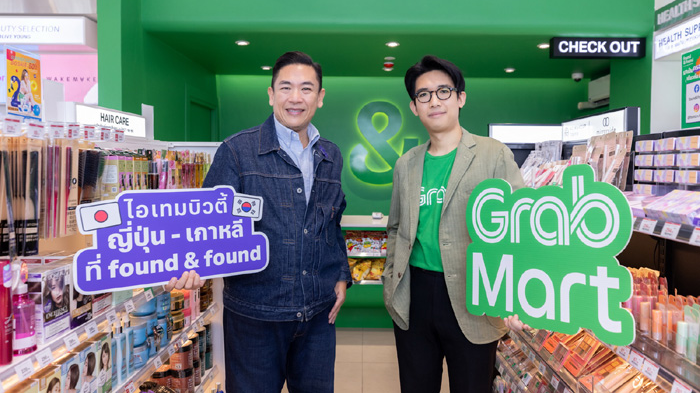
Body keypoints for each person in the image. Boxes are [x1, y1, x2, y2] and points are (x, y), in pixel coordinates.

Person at [167, 51, 350, 393]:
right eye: (286, 87)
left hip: (317, 317)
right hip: (255, 318)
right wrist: (188, 264)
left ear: (320, 97)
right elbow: (204, 222)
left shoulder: (331, 155)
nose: (295, 98)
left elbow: (332, 223)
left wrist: (341, 273)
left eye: (306, 88)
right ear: (271, 94)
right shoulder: (237, 151)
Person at [382, 55, 528, 393]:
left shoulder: (493, 154)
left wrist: (516, 295)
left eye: (443, 91)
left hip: (473, 295)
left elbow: (519, 228)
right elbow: (396, 228)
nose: (434, 101)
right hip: (414, 295)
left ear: (460, 98)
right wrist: (391, 281)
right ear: (414, 107)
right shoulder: (406, 164)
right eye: (423, 95)